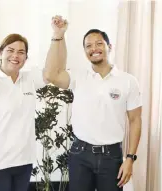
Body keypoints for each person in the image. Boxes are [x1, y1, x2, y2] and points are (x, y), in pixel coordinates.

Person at [45, 15, 142, 191]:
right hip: (80, 154)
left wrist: (130, 158)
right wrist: (58, 35)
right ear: (85, 52)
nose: (94, 49)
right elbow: (51, 74)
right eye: (88, 46)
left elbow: (135, 120)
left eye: (99, 44)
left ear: (109, 47)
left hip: (112, 156)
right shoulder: (78, 77)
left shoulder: (128, 81)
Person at [0, 34, 48, 191]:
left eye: (21, 52)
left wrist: (57, 35)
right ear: (1, 52)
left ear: (26, 57)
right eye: (10, 50)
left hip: (23, 164)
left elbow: (53, 71)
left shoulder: (30, 79)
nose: (15, 55)